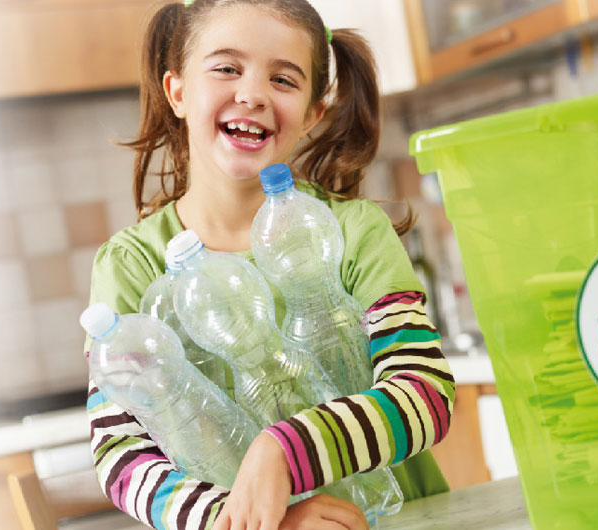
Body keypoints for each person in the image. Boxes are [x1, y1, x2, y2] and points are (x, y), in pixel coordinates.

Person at [84, 1, 454, 529]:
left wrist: (286, 451)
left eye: (283, 79)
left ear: (312, 113)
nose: (253, 94)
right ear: (179, 91)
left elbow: (425, 394)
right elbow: (121, 456)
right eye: (227, 68)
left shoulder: (354, 232)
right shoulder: (131, 265)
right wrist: (248, 520)